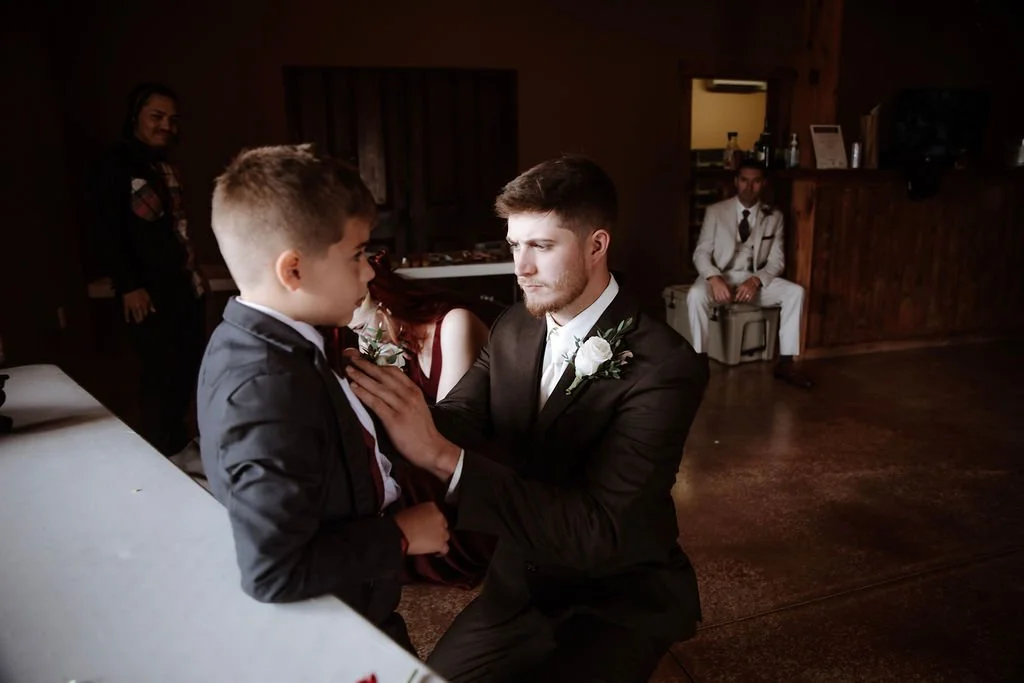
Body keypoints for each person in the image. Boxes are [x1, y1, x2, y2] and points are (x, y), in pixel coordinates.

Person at [346, 155, 708, 682]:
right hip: (519, 584)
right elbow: (463, 416)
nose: (520, 267)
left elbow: (599, 529)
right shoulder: (516, 325)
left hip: (615, 594)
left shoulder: (665, 365)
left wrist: (444, 457)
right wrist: (390, 410)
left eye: (541, 245)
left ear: (596, 245)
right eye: (515, 245)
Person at [196, 144, 450, 650]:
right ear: (293, 271)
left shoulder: (280, 343)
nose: (370, 273)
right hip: (331, 628)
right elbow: (273, 570)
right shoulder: (266, 387)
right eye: (356, 255)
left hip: (362, 605)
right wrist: (399, 534)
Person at [345, 251, 496, 588]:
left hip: (471, 460)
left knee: (401, 480)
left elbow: (454, 430)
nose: (362, 339)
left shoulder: (455, 325)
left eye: (361, 327)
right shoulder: (388, 350)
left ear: (383, 305)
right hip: (431, 454)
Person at [89, 82, 207, 458]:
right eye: (157, 116)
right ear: (135, 117)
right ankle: (160, 454)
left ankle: (177, 448)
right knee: (160, 376)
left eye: (172, 119)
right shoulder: (116, 165)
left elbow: (175, 230)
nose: (166, 125)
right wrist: (129, 286)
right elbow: (106, 229)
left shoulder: (164, 165)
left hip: (184, 287)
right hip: (149, 293)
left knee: (186, 370)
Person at [688, 159, 812, 388]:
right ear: (736, 181)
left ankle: (786, 363)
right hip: (720, 275)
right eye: (744, 180)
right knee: (695, 295)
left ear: (763, 184)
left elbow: (777, 262)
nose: (749, 186)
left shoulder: (774, 216)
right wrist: (714, 278)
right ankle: (699, 361)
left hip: (751, 279)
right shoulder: (716, 211)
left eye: (755, 182)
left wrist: (755, 280)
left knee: (795, 292)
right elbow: (701, 252)